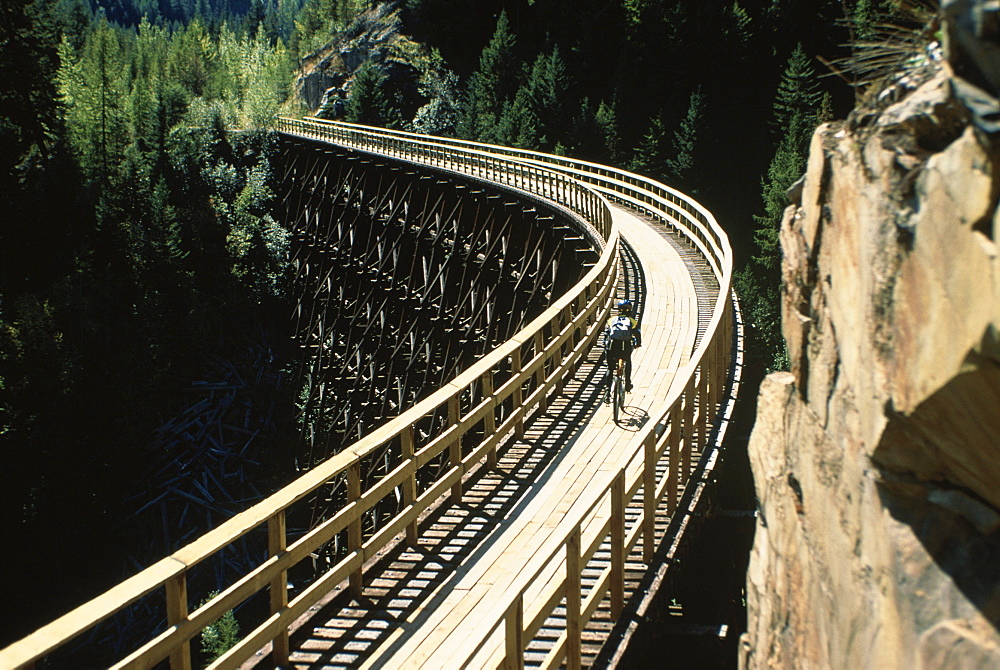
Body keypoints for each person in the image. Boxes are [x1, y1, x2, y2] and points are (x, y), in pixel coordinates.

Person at [604, 298, 641, 394]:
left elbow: (606, 333)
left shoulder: (611, 320)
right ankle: (628, 384)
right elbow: (637, 334)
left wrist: (605, 343)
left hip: (612, 346)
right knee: (627, 360)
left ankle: (607, 392)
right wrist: (638, 343)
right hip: (625, 346)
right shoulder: (632, 321)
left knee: (610, 368)